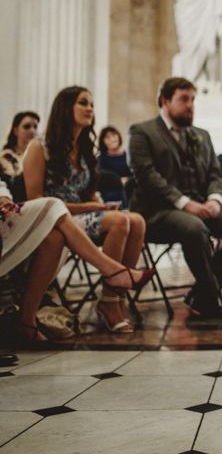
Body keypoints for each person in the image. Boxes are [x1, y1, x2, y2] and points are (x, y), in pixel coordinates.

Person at [128, 77, 222, 319]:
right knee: (195, 227)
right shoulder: (142, 132)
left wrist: (214, 199)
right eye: (183, 99)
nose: (190, 105)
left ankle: (202, 294)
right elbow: (148, 177)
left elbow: (215, 173)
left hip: (201, 206)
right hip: (158, 212)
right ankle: (210, 298)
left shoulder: (202, 135)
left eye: (193, 100)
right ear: (165, 101)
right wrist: (185, 204)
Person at [24, 86, 147, 334]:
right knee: (119, 222)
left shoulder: (85, 150)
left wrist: (98, 203)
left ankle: (115, 299)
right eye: (83, 103)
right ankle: (111, 300)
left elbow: (89, 193)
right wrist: (89, 207)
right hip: (54, 219)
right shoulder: (39, 148)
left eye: (91, 103)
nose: (90, 108)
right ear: (65, 108)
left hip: (82, 217)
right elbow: (35, 200)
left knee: (136, 220)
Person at [0, 179, 154, 343]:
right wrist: (90, 207)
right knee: (55, 205)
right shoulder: (39, 152)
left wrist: (4, 198)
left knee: (55, 238)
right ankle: (114, 275)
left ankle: (26, 321)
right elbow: (34, 197)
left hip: (46, 216)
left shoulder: (85, 154)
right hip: (60, 214)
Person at [98, 126, 131, 203]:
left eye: (114, 135)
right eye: (107, 137)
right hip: (111, 195)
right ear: (103, 142)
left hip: (131, 191)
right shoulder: (101, 160)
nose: (112, 139)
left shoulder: (130, 156)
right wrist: (119, 181)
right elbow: (102, 180)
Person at [1, 111, 40, 179]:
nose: (32, 131)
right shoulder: (6, 156)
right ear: (16, 131)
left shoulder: (40, 156)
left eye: (35, 127)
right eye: (27, 127)